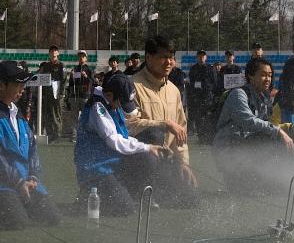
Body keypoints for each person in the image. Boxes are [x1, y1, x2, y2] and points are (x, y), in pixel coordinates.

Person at [0, 61, 61, 229]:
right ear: (1, 85)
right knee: (17, 223)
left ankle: (15, 202)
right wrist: (19, 182)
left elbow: (32, 149)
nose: (23, 88)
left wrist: (33, 176)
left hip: (25, 182)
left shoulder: (17, 114)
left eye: (23, 84)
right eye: (18, 84)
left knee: (52, 218)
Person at [74, 73, 171, 216]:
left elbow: (123, 136)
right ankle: (87, 195)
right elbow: (114, 140)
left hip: (113, 162)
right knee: (124, 208)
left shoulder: (111, 101)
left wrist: (150, 148)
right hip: (96, 168)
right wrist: (147, 147)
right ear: (109, 95)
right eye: (121, 102)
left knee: (147, 157)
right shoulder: (97, 107)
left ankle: (132, 194)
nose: (122, 106)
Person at [127, 36, 199, 207]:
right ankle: (137, 191)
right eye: (163, 57)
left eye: (171, 57)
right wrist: (164, 124)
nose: (169, 62)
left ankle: (158, 191)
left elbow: (180, 131)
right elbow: (129, 125)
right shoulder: (132, 85)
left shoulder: (174, 91)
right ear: (148, 58)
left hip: (165, 161)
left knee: (191, 198)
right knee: (155, 132)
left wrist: (183, 163)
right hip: (139, 160)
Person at [213, 57, 294, 193]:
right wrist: (279, 131)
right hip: (229, 150)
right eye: (263, 75)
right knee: (273, 137)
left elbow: (265, 125)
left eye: (270, 75)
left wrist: (290, 128)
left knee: (286, 137)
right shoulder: (239, 94)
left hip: (246, 149)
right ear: (250, 76)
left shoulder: (263, 98)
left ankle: (274, 178)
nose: (268, 79)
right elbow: (248, 121)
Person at [186, 50, 219, 144]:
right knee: (198, 118)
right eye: (199, 56)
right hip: (197, 98)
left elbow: (214, 82)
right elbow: (191, 82)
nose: (201, 58)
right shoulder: (193, 68)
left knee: (208, 117)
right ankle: (200, 137)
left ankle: (208, 137)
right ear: (197, 57)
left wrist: (208, 88)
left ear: (206, 57)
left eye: (203, 56)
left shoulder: (210, 68)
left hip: (207, 97)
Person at [38, 46, 66, 142]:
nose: (53, 52)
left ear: (58, 53)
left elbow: (64, 80)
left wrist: (61, 93)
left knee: (56, 113)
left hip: (57, 93)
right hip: (47, 93)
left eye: (55, 51)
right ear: (49, 53)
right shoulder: (46, 66)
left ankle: (57, 134)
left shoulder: (61, 65)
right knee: (47, 113)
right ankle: (50, 134)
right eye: (51, 51)